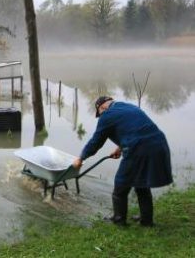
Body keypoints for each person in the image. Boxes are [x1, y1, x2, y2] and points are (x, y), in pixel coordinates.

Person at [72, 96, 173, 227]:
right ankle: (146, 221)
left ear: (102, 107)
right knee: (142, 184)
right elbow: (135, 128)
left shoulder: (107, 115)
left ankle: (119, 220)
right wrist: (120, 148)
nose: (100, 116)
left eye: (99, 113)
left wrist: (81, 158)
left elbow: (95, 142)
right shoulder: (128, 106)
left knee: (121, 184)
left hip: (138, 148)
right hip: (158, 143)